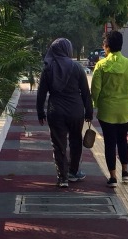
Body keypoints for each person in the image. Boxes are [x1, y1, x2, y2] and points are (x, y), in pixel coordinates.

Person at [36, 38, 93, 188]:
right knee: (75, 141)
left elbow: (41, 93)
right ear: (68, 50)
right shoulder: (77, 68)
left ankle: (63, 177)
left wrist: (40, 112)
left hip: (56, 111)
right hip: (76, 110)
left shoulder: (48, 69)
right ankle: (73, 172)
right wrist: (89, 112)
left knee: (58, 144)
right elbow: (86, 93)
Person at [91, 31, 128, 188]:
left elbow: (95, 89)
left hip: (107, 110)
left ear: (107, 47)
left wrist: (95, 104)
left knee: (110, 143)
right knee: (122, 139)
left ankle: (112, 177)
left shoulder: (101, 65)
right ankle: (125, 172)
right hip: (126, 109)